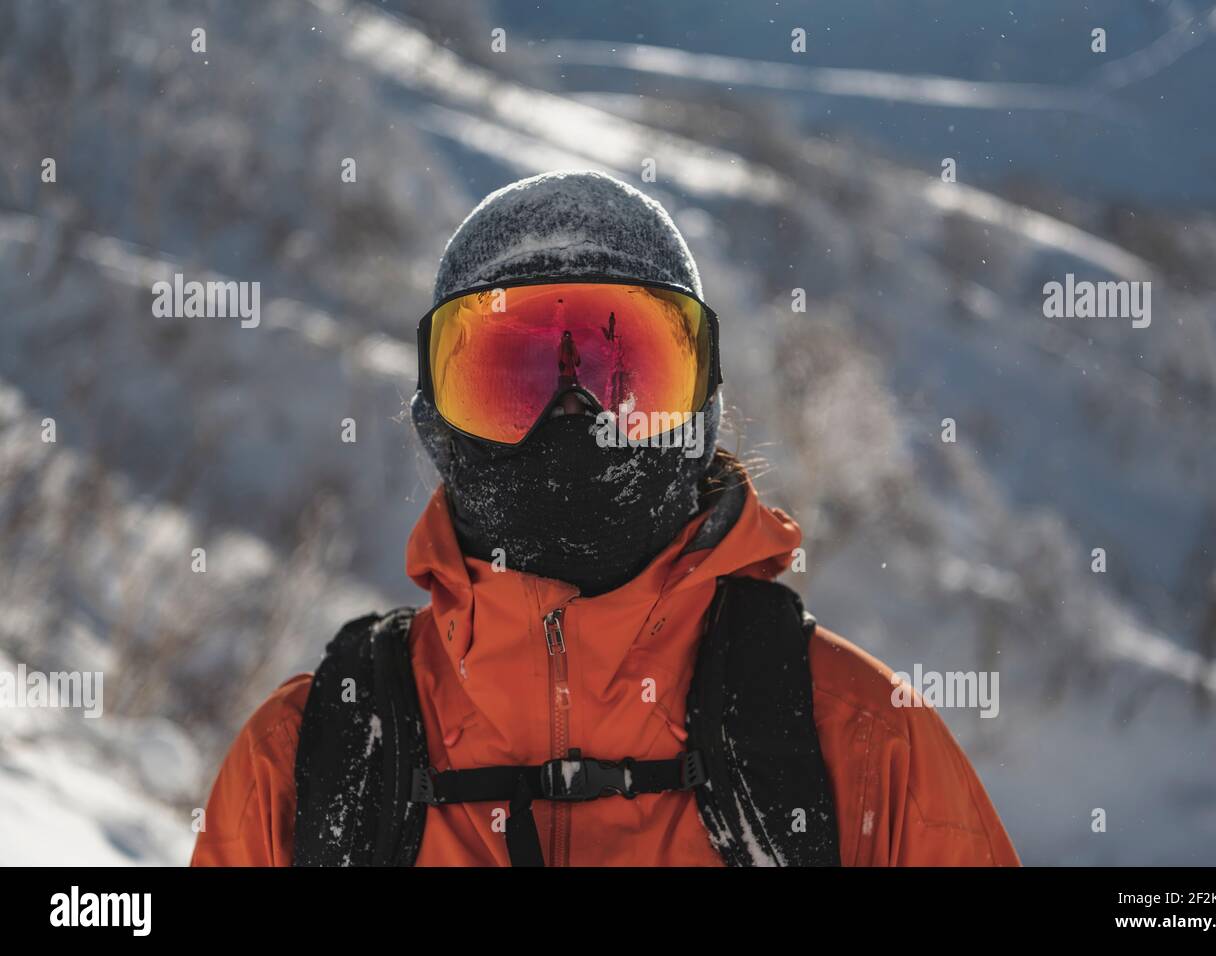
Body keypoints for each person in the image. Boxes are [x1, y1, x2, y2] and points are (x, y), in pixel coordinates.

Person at [191, 169, 1019, 867]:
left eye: (625, 377)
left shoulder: (860, 746)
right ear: (434, 423)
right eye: (511, 377)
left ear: (702, 412)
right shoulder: (312, 768)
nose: (572, 416)